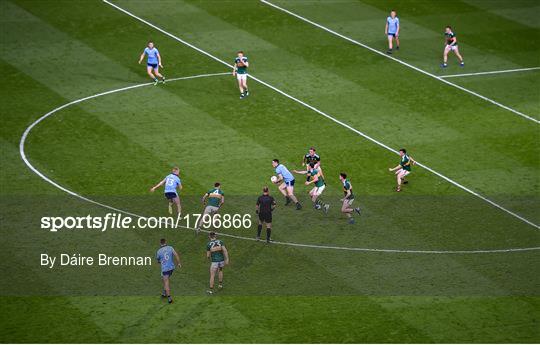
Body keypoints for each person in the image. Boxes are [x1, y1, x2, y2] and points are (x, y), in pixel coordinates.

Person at [156, 238, 181, 304]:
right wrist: (179, 263)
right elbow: (176, 255)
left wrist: (160, 261)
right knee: (163, 279)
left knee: (166, 282)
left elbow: (158, 260)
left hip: (165, 269)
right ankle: (164, 293)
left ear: (160, 243)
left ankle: (169, 298)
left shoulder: (159, 251)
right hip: (171, 268)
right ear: (165, 242)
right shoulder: (170, 248)